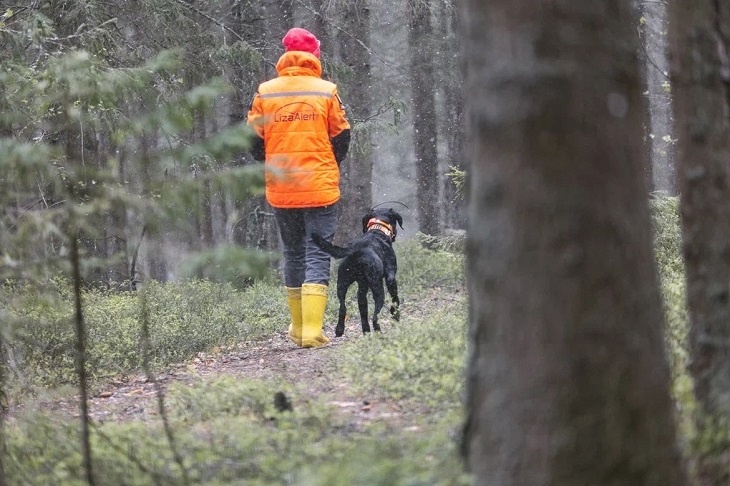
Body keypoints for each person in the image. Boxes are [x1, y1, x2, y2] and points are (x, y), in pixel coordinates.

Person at [247, 27, 351, 348]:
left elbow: (253, 139)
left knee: (292, 252)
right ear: (314, 56)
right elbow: (342, 136)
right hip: (320, 186)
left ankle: (296, 328)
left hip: (282, 187)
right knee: (317, 252)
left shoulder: (265, 92)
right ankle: (312, 332)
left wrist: (275, 163)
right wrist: (328, 163)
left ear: (285, 55)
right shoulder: (326, 91)